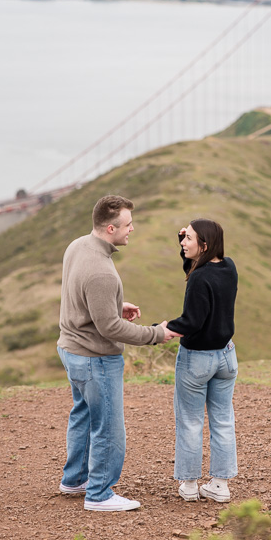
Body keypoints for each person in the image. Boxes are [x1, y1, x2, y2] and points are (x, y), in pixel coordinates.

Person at [57, 194, 177, 512]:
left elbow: (79, 292)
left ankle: (75, 480)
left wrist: (112, 305)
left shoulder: (78, 245)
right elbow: (110, 329)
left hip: (70, 350)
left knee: (83, 415)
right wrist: (157, 334)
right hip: (95, 358)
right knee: (109, 426)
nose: (132, 229)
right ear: (110, 228)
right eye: (127, 224)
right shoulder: (102, 273)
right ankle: (99, 494)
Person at [167, 219, 238, 503]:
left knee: (190, 422)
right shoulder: (229, 267)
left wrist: (161, 329)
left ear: (204, 246)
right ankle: (220, 485)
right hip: (226, 356)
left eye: (189, 239)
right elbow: (193, 265)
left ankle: (188, 486)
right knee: (222, 420)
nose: (184, 243)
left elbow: (191, 322)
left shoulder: (199, 278)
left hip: (197, 360)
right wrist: (183, 237)